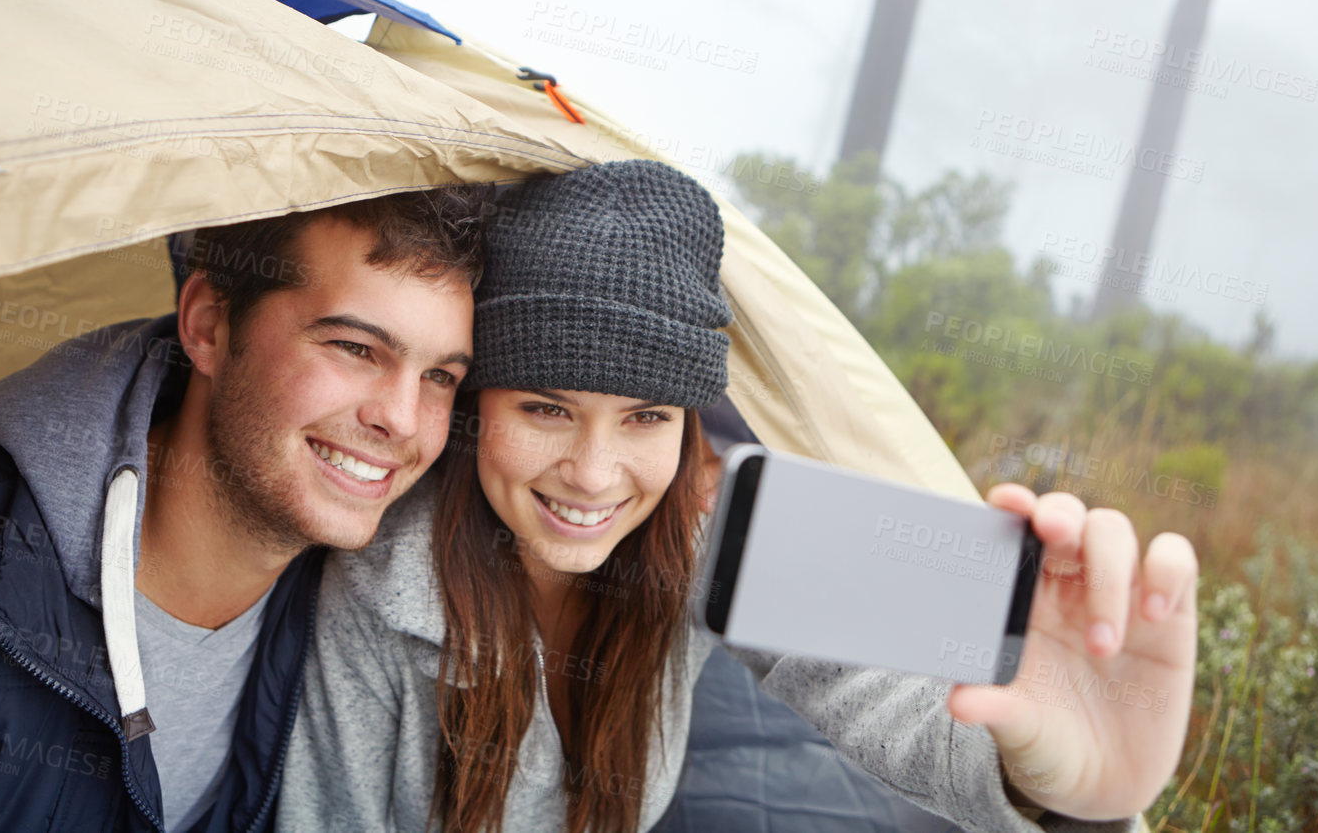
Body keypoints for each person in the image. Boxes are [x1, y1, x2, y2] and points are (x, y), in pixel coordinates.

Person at [277, 159, 1198, 833]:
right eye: (547, 409)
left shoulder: (706, 543)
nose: (595, 476)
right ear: (478, 402)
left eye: (646, 419)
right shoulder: (380, 590)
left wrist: (1062, 790)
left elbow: (887, 701)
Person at [0, 188, 489, 832]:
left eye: (441, 378)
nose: (403, 420)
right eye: (356, 348)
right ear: (209, 327)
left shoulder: (372, 600)